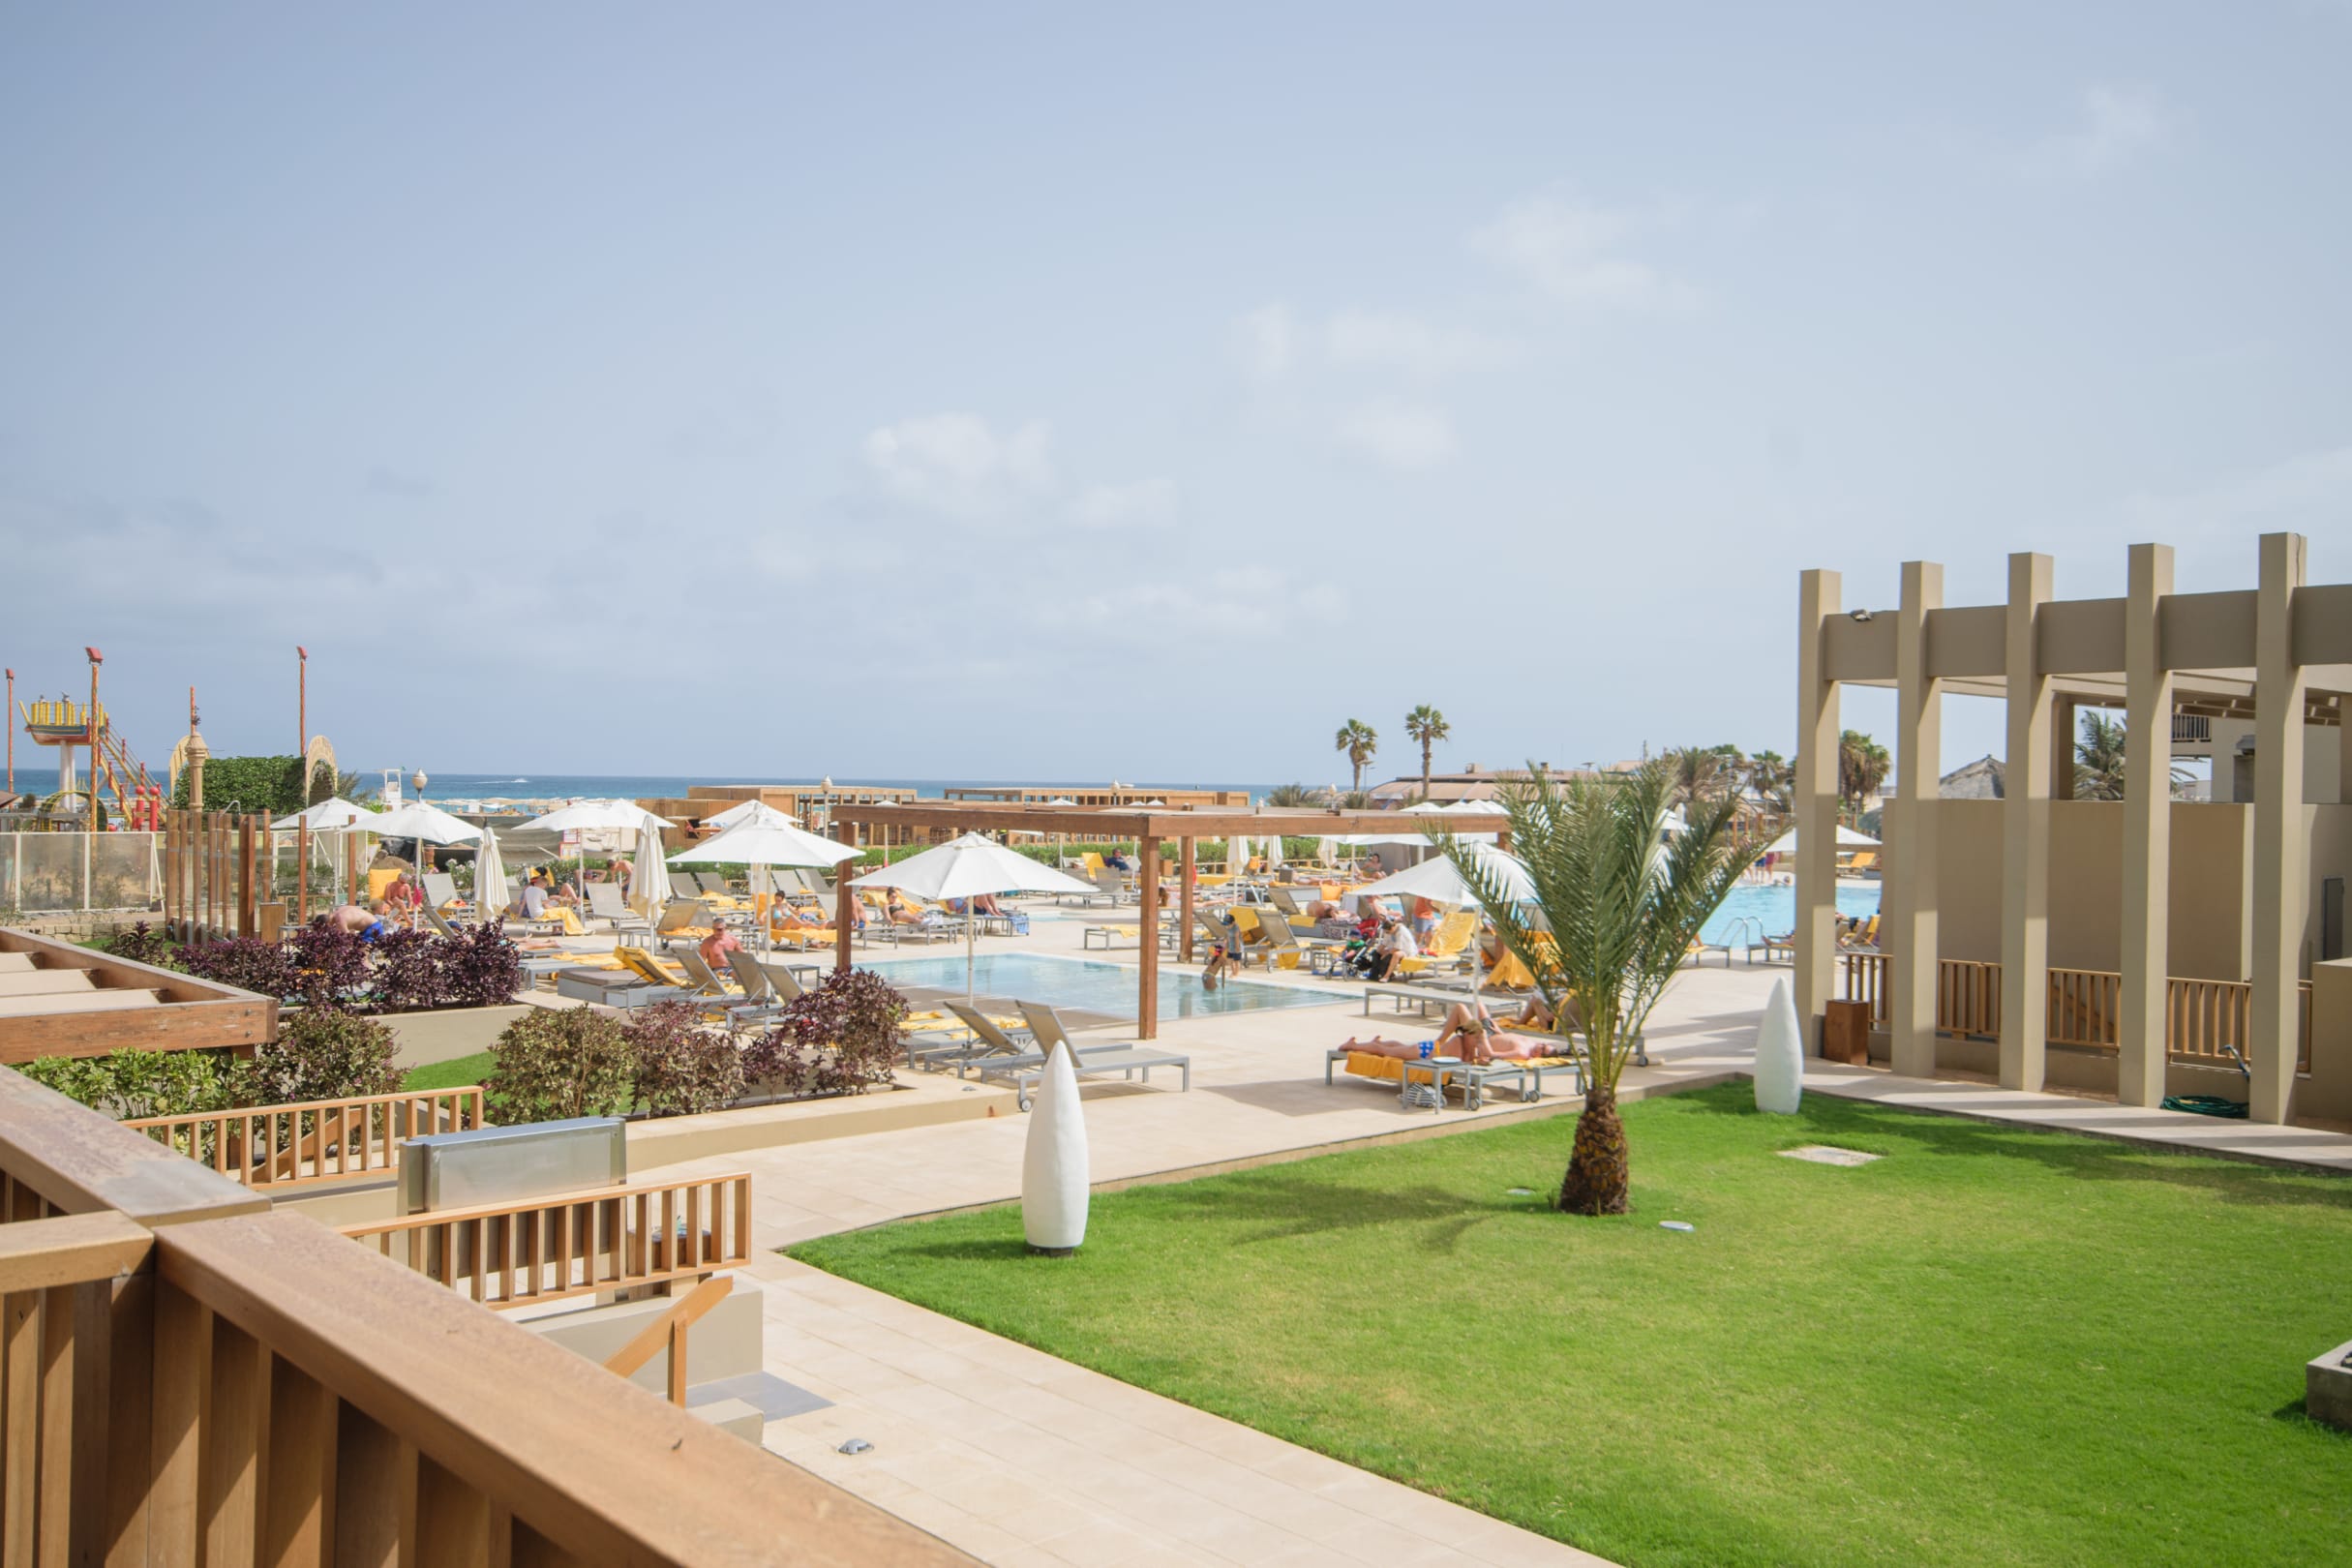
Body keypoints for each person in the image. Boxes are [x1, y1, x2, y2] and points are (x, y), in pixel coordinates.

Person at [1365, 916, 1419, 982]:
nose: (1387, 933)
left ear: (1393, 928)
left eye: (1388, 932)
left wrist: (1385, 954)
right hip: (1394, 948)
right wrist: (1378, 951)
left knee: (1394, 955)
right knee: (1376, 953)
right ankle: (1374, 974)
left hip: (1407, 951)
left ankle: (1386, 976)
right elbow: (1384, 944)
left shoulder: (1401, 931)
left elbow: (1397, 948)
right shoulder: (1388, 931)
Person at [328, 901, 392, 944]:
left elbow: (348, 938)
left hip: (373, 928)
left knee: (362, 953)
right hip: (372, 925)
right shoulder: (340, 909)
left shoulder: (340, 920)